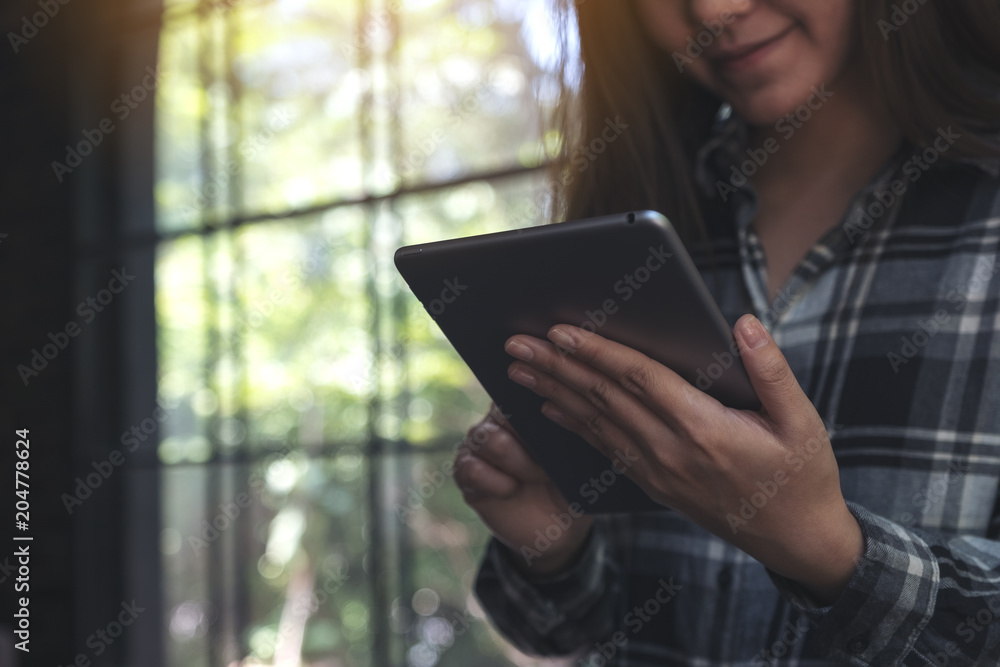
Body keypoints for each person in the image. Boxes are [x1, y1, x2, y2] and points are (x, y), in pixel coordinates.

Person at [452, 0, 1000, 665]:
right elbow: (562, 631)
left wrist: (831, 549)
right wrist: (553, 547)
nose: (713, 10)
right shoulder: (633, 228)